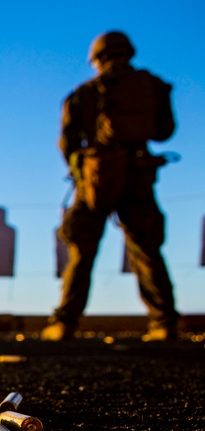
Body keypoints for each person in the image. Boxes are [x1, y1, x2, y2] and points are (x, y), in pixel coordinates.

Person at [42, 31, 179, 342]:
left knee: (82, 251)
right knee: (146, 250)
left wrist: (80, 169)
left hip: (97, 178)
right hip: (139, 174)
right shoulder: (153, 86)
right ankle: (163, 322)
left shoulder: (84, 93)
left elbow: (67, 141)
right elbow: (165, 131)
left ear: (97, 58)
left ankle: (64, 322)